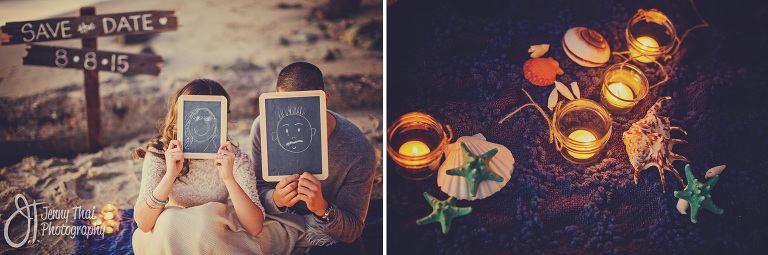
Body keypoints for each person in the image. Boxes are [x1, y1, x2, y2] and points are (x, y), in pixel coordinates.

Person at [132, 79, 303, 255]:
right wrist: (170, 175)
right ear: (182, 115)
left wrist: (228, 178)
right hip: (171, 232)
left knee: (206, 225)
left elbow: (254, 227)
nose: (202, 122)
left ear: (221, 119)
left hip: (214, 231)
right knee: (168, 221)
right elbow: (144, 223)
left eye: (210, 116)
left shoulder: (235, 158)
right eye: (196, 115)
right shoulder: (161, 152)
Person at [250, 62, 376, 254]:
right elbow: (256, 190)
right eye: (285, 104)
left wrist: (323, 208)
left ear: (324, 100)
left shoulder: (358, 151)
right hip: (277, 224)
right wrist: (276, 199)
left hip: (325, 233)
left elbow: (353, 229)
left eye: (305, 105)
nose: (293, 116)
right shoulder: (263, 127)